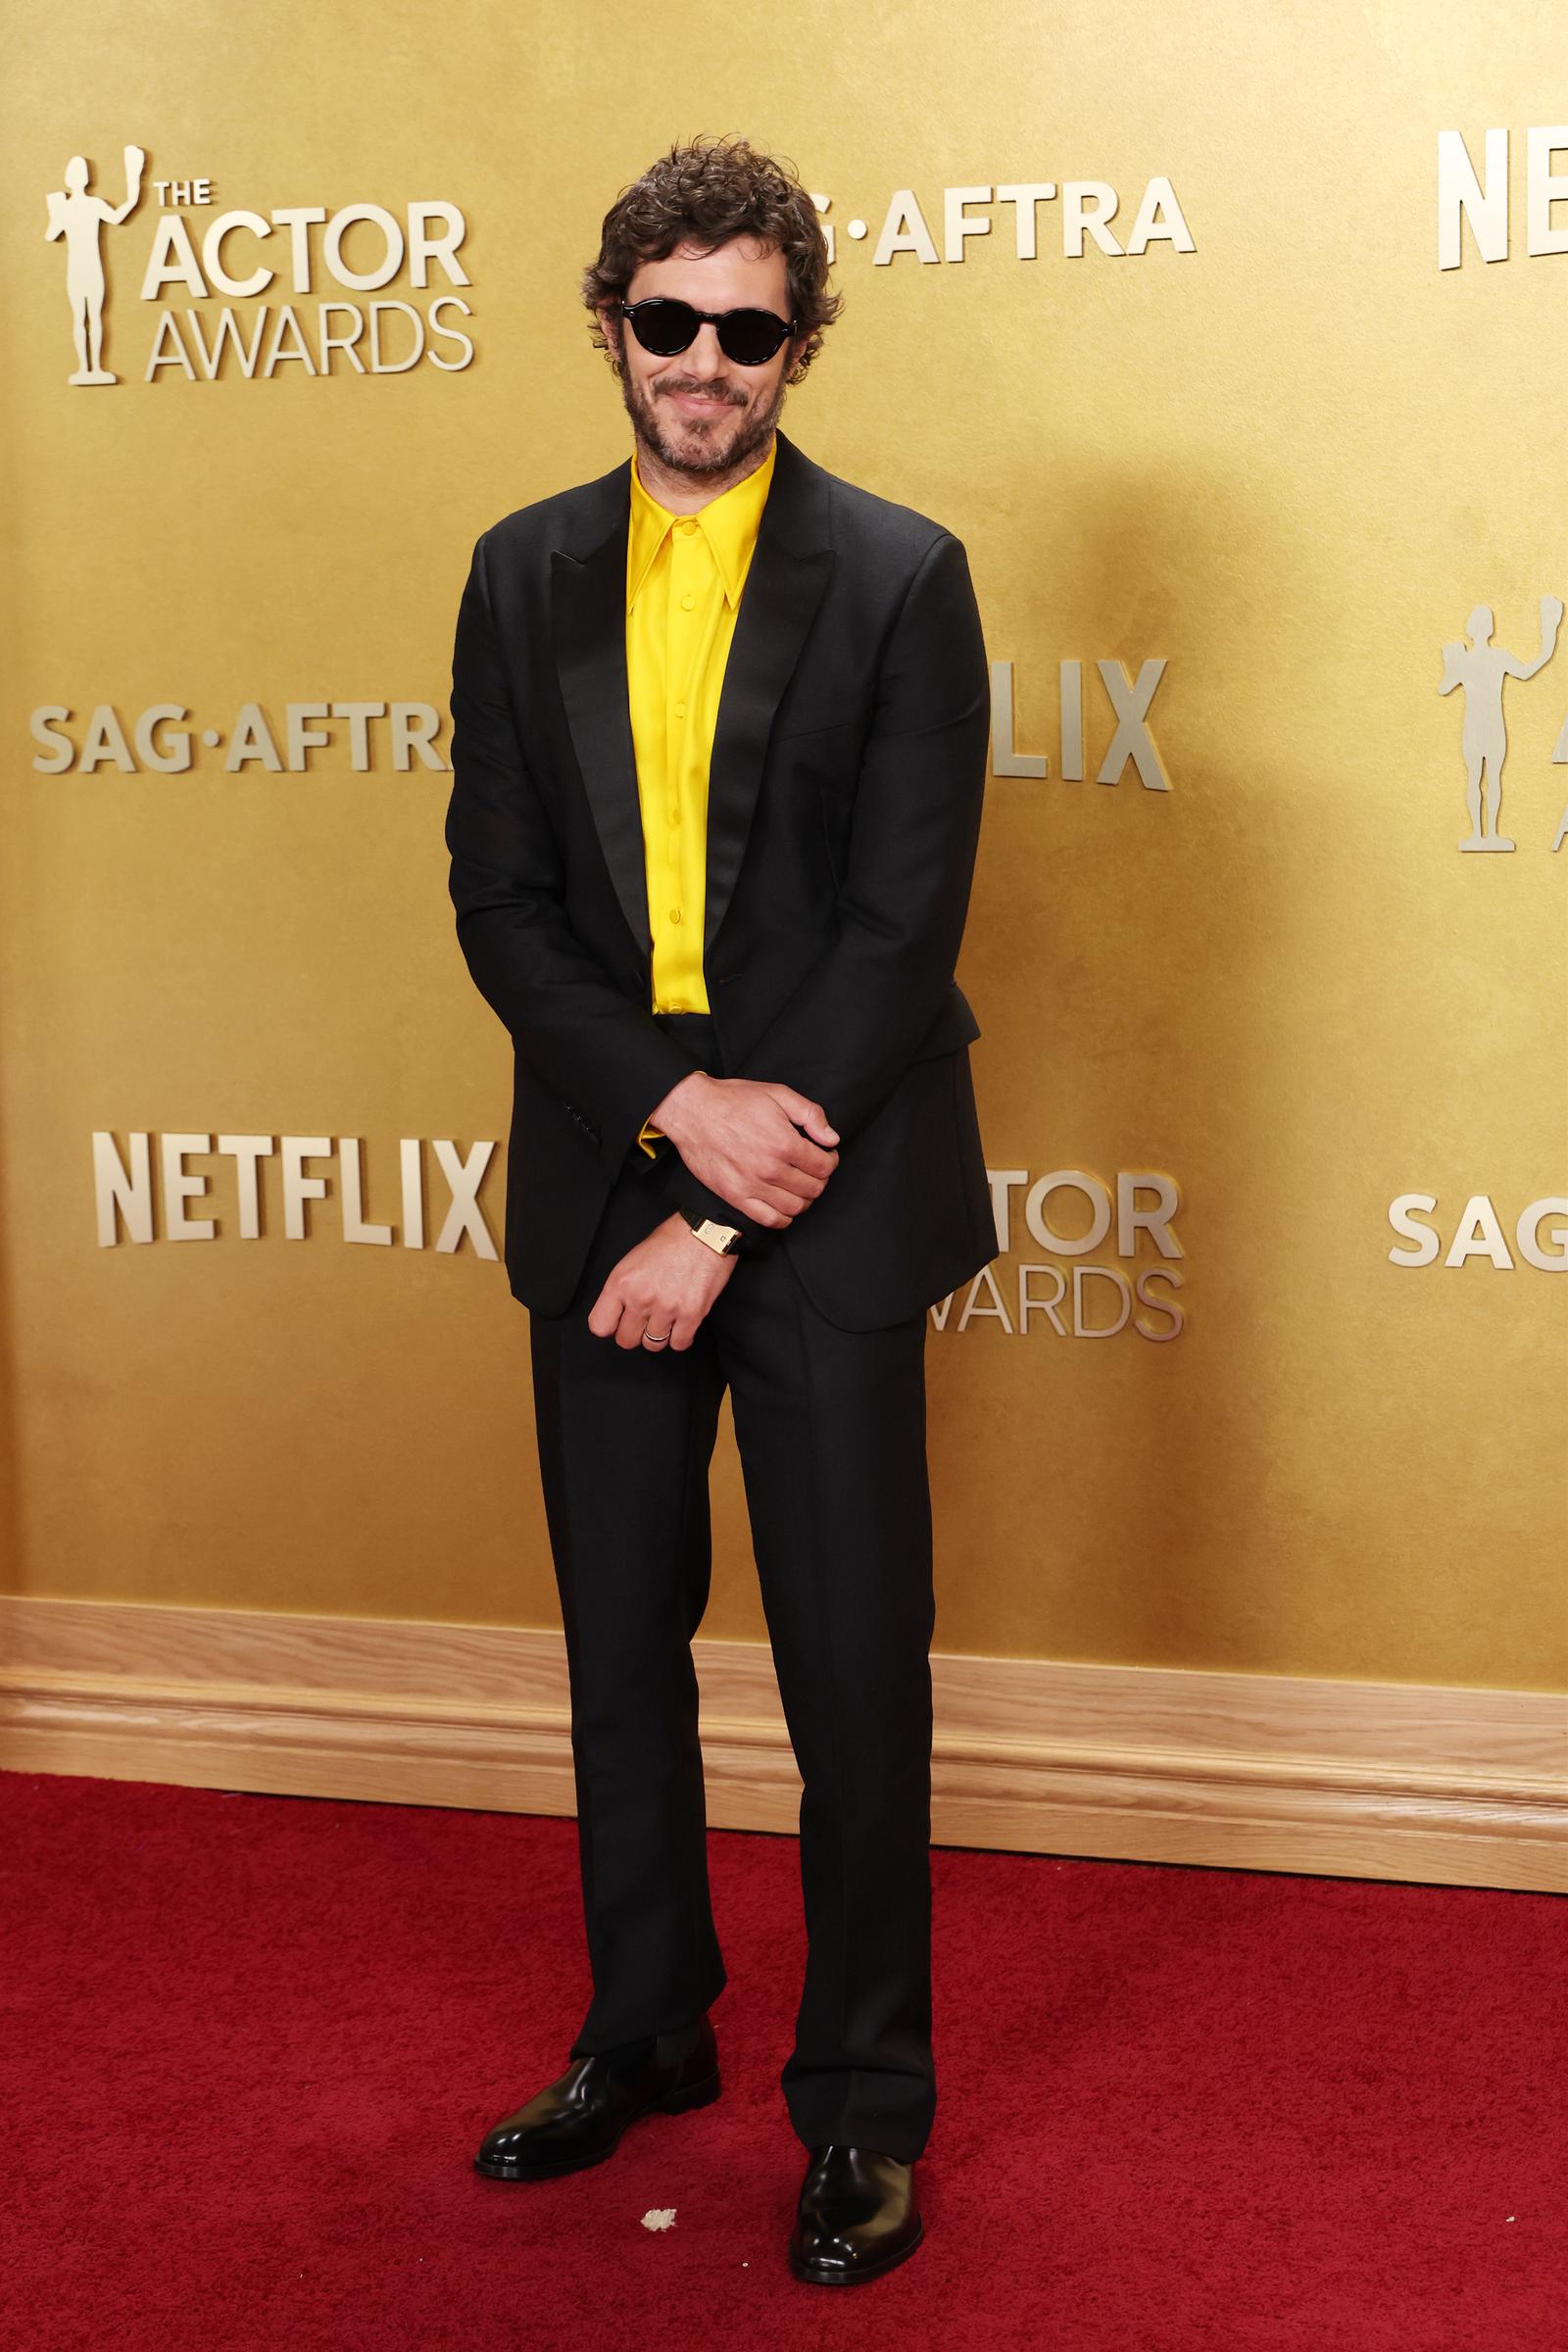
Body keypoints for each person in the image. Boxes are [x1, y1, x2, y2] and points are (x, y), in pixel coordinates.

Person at [444, 132, 996, 2288]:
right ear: (610, 327)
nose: (702, 362)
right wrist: (674, 1132)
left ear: (797, 345)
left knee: (855, 1672)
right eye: (664, 321)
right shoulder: (515, 572)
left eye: (745, 329)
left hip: (827, 1208)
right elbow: (499, 906)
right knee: (617, 1652)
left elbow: (897, 926)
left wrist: (735, 1203)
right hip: (608, 1177)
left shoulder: (899, 573)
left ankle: (861, 2109)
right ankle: (644, 2031)